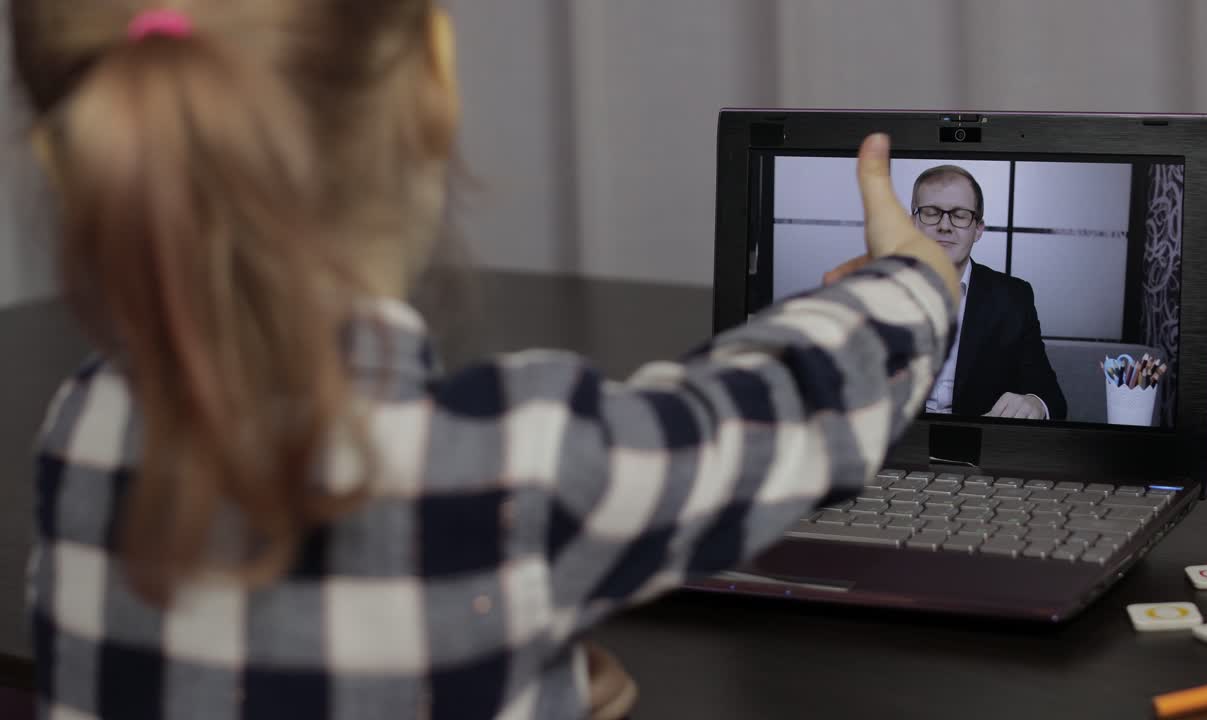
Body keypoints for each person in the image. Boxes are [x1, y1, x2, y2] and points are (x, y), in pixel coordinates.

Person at [16, 1, 959, 719]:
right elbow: (786, 408)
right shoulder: (512, 465)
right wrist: (916, 277)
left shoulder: (83, 426)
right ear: (435, 71)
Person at [826, 165, 1066, 420]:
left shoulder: (1013, 298)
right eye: (931, 213)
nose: (945, 225)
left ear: (978, 229)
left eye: (960, 215)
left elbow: (1051, 397)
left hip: (979, 445)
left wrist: (1035, 403)